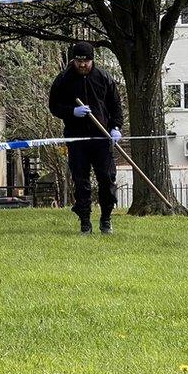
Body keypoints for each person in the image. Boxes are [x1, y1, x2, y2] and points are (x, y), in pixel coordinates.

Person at [48, 41, 124, 235]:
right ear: (74, 60)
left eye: (86, 61)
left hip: (102, 138)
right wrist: (72, 111)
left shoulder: (104, 78)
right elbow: (54, 107)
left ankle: (106, 218)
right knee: (81, 181)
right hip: (77, 139)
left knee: (107, 179)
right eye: (79, 61)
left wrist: (115, 127)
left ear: (92, 60)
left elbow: (116, 105)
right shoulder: (63, 80)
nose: (83, 65)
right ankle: (85, 221)